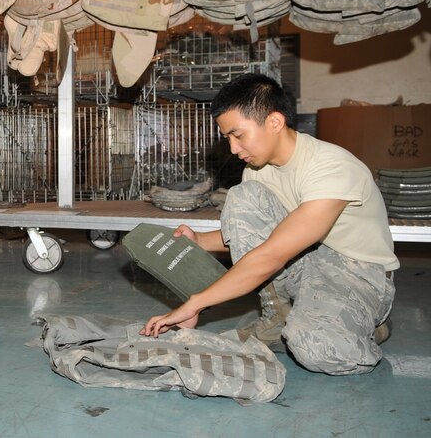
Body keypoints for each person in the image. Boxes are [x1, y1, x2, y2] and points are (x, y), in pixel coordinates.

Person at [140, 73, 398, 376]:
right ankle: (278, 320)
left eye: (239, 135)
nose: (234, 149)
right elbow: (259, 233)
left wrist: (196, 303)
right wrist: (199, 240)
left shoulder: (331, 167)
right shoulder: (258, 170)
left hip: (357, 273)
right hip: (307, 257)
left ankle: (370, 327)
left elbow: (273, 253)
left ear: (274, 122)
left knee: (316, 348)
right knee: (242, 197)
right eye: (228, 139)